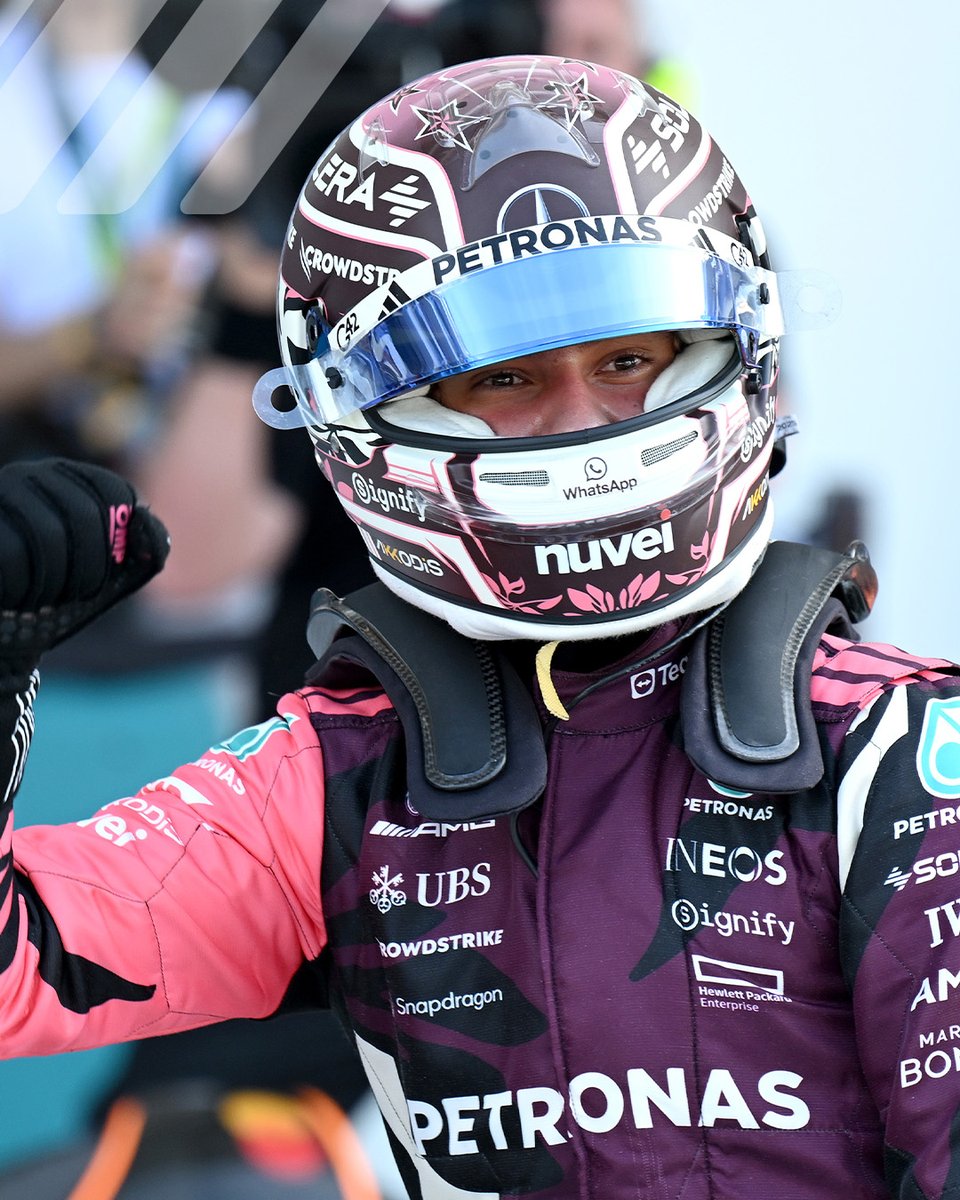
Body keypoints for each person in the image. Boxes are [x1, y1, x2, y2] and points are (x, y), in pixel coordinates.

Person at [0, 53, 955, 1200]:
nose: (583, 423)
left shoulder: (904, 758)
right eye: (500, 380)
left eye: (627, 362)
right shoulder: (341, 779)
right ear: (355, 409)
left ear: (736, 351)